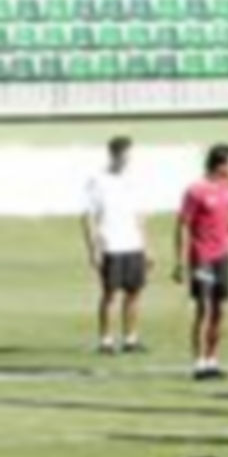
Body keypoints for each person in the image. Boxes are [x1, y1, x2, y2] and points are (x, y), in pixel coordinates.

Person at [173, 144, 228, 381]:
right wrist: (180, 261)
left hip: (222, 256)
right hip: (201, 256)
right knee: (203, 308)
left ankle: (213, 359)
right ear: (220, 164)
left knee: (221, 310)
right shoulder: (195, 191)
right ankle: (199, 363)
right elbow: (182, 225)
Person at [83, 136, 151, 354]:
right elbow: (88, 217)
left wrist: (147, 247)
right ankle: (106, 341)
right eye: (123, 154)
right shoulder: (97, 180)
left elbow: (140, 216)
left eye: (129, 154)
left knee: (134, 292)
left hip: (133, 245)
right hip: (111, 245)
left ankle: (130, 339)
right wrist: (93, 249)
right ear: (113, 154)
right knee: (109, 294)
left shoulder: (134, 180)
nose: (127, 159)